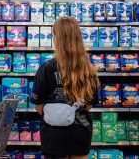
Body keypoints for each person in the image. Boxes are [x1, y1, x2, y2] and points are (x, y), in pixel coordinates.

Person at [31, 17, 99, 159]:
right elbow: (88, 106)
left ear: (58, 39)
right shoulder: (89, 70)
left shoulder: (46, 68)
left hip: (53, 134)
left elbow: (38, 107)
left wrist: (57, 114)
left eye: (54, 35)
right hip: (80, 132)